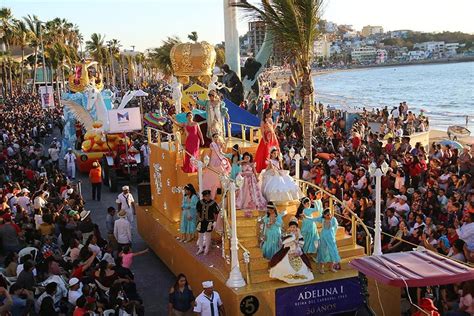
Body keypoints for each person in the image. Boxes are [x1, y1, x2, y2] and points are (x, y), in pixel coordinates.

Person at [269, 219, 314, 284]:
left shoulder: (299, 235)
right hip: (288, 251)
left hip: (297, 251)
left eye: (294, 227)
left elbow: (302, 243)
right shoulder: (287, 234)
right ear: (289, 228)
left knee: (303, 263)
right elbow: (285, 243)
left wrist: (297, 241)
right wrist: (292, 241)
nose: (292, 228)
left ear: (296, 228)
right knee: (281, 261)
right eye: (291, 227)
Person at [310, 209, 341, 274]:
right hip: (323, 237)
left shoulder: (333, 219)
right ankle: (321, 268)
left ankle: (331, 267)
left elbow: (336, 227)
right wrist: (306, 217)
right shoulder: (322, 219)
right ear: (324, 215)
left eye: (330, 214)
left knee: (332, 251)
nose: (329, 216)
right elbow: (313, 219)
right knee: (323, 251)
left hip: (331, 237)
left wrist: (333, 234)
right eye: (327, 215)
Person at [202, 133, 231, 199]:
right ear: (213, 138)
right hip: (213, 160)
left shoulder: (220, 144)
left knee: (222, 172)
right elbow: (210, 153)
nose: (216, 138)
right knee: (211, 175)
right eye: (215, 137)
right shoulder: (212, 144)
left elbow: (224, 151)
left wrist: (226, 142)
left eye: (217, 137)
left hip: (220, 160)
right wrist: (208, 162)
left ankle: (223, 189)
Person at [196, 190, 220, 255]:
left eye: (209, 196)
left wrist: (215, 221)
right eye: (206, 196)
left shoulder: (213, 203)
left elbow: (216, 213)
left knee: (208, 235)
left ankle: (207, 248)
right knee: (200, 235)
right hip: (201, 221)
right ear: (203, 196)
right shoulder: (199, 202)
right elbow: (198, 211)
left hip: (209, 221)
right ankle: (200, 248)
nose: (208, 197)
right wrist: (199, 218)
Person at [255, 109, 279, 173]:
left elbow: (273, 128)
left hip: (272, 137)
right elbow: (262, 131)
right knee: (266, 152)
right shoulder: (263, 121)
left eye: (271, 113)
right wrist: (265, 139)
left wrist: (276, 122)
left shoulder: (270, 120)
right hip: (267, 137)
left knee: (274, 150)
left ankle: (275, 166)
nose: (271, 114)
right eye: (270, 113)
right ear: (266, 114)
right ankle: (265, 167)